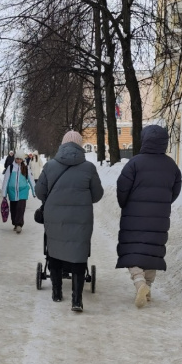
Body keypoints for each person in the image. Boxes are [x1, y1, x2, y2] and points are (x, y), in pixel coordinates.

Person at [36, 131, 104, 311]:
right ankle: (76, 300)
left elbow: (39, 192)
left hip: (55, 218)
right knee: (79, 255)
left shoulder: (50, 166)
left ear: (62, 145)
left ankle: (57, 293)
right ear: (80, 146)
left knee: (55, 251)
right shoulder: (89, 168)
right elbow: (97, 195)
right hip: (81, 219)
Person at [116, 125, 182, 308]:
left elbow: (122, 188)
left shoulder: (134, 163)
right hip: (159, 217)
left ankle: (139, 282)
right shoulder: (171, 165)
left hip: (134, 215)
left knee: (132, 251)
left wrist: (125, 204)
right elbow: (175, 191)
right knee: (152, 252)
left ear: (144, 140)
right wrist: (162, 204)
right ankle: (148, 288)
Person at [1, 151, 36, 234]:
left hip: (23, 191)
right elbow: (6, 180)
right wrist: (4, 193)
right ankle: (15, 224)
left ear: (22, 159)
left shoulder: (26, 168)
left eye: (20, 159)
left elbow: (31, 180)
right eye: (17, 159)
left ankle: (19, 224)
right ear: (15, 159)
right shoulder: (11, 167)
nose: (19, 160)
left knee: (21, 208)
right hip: (12, 191)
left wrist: (34, 192)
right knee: (13, 209)